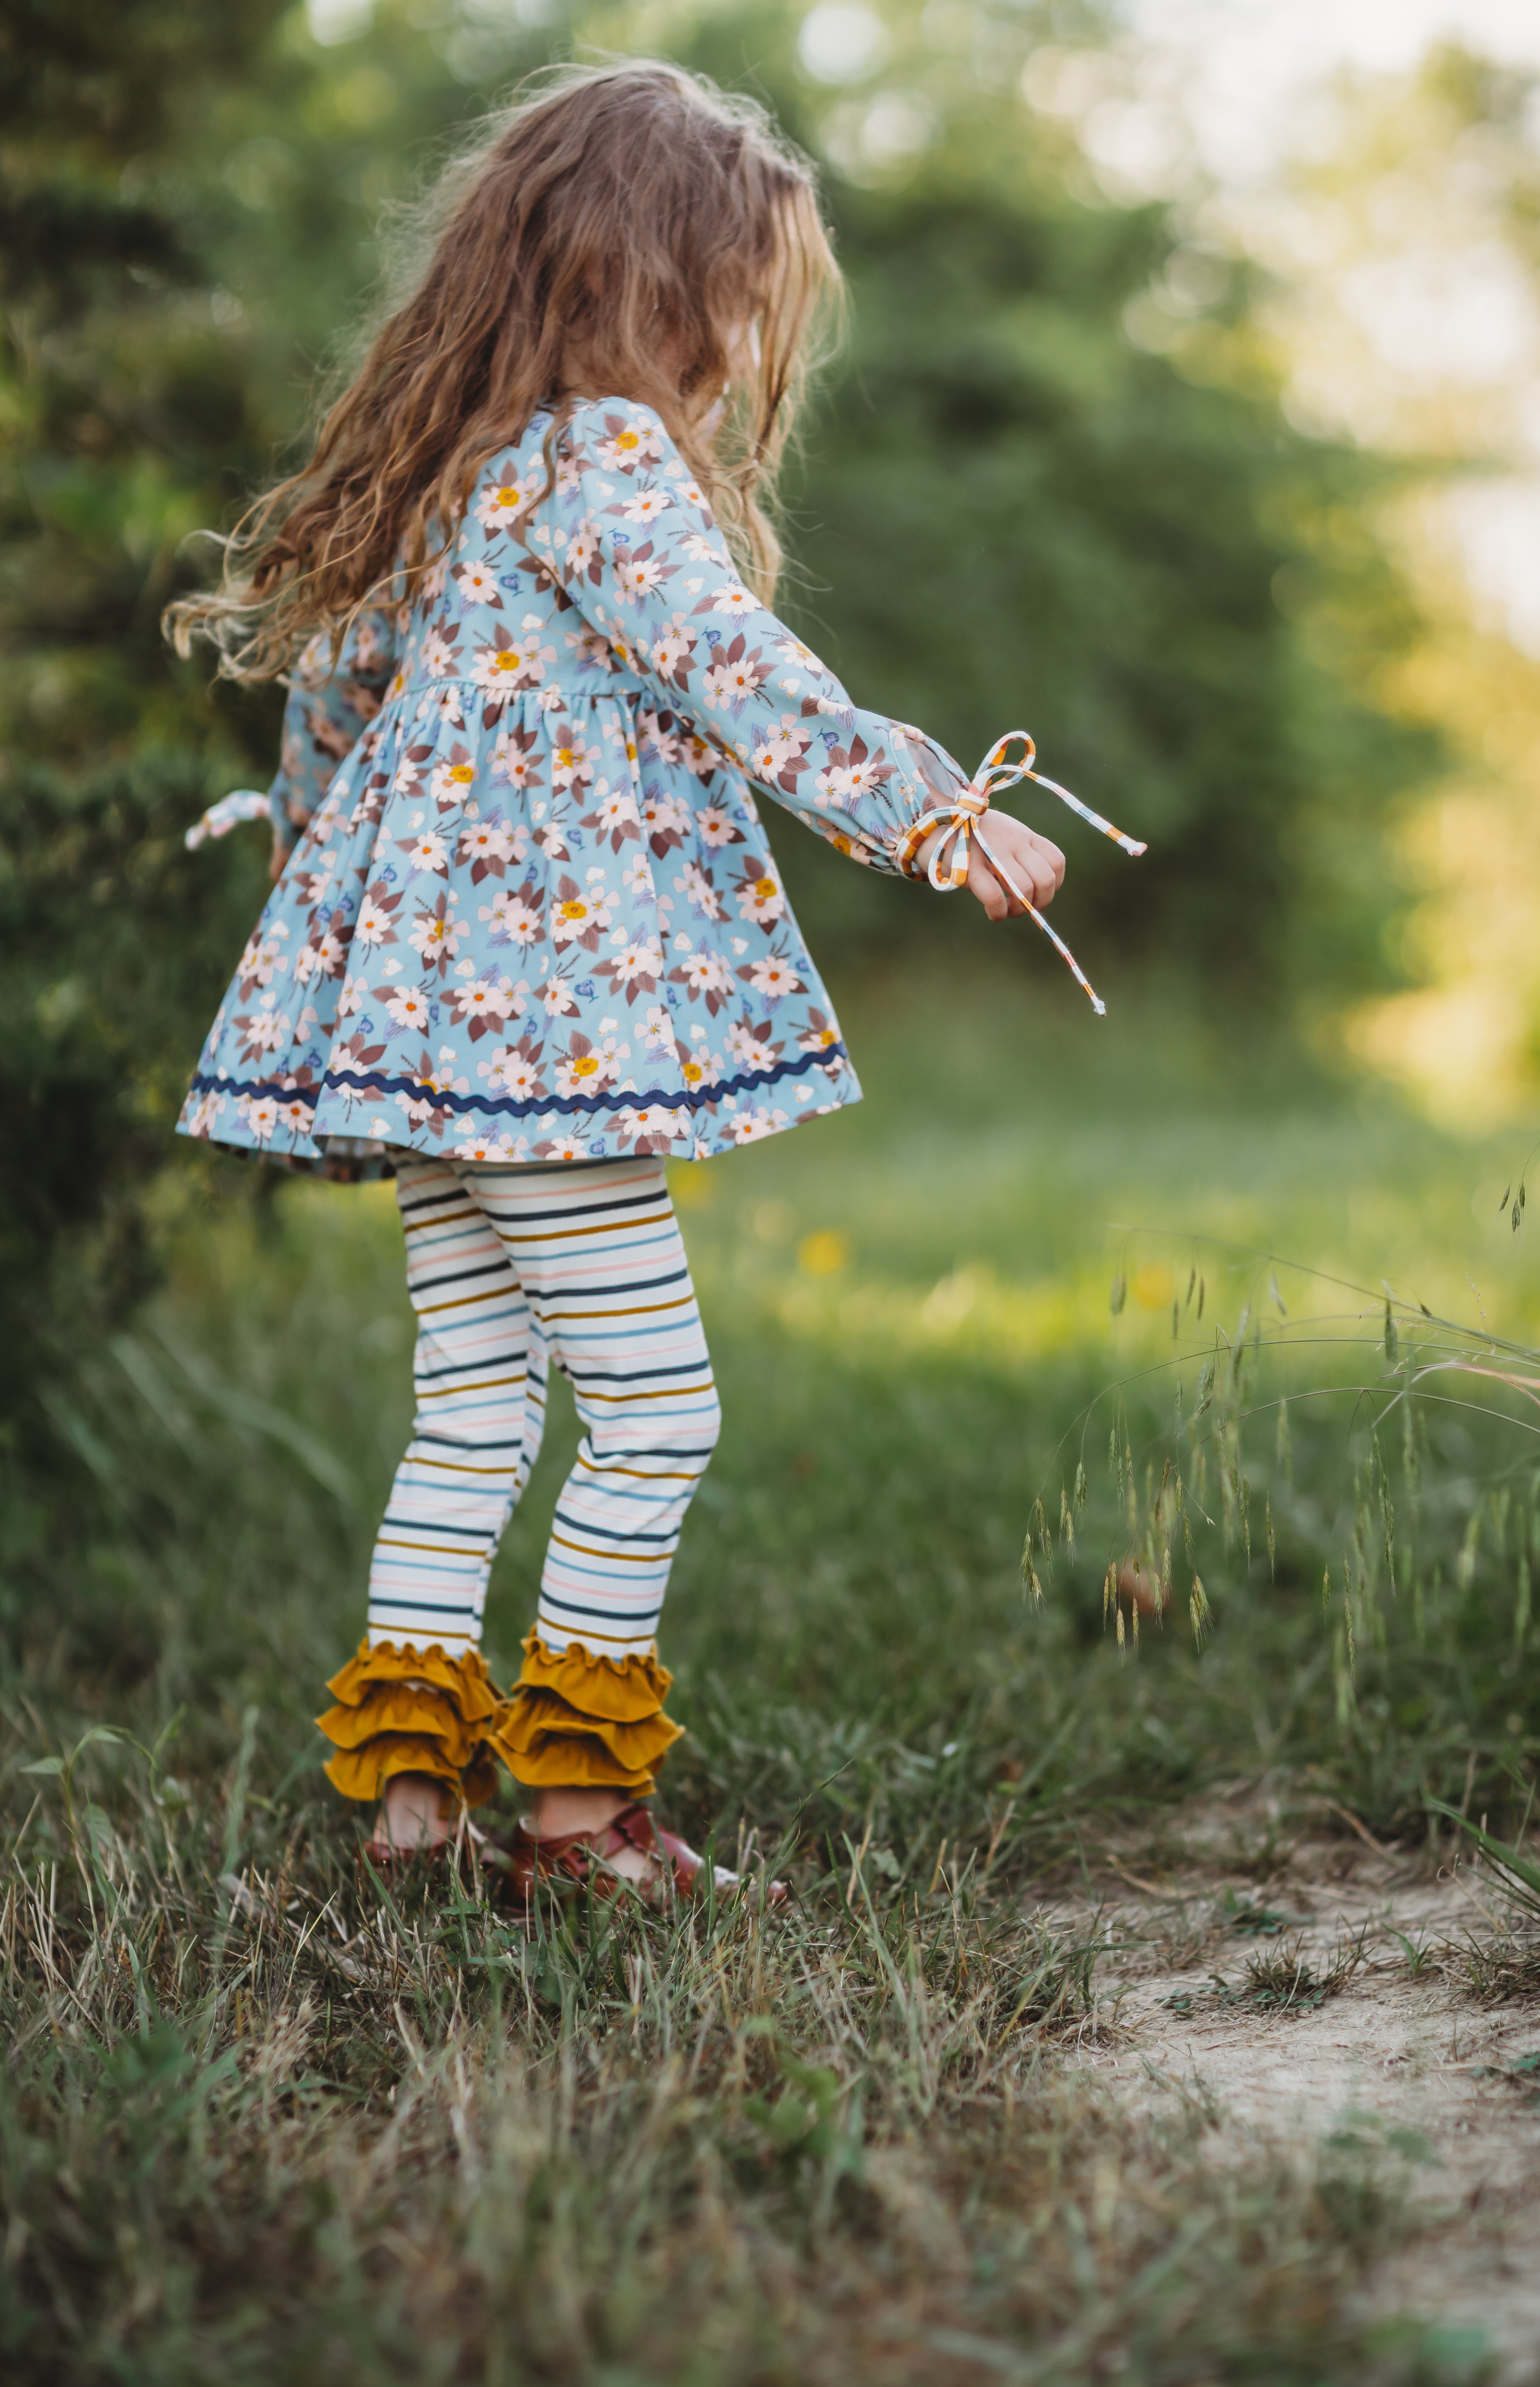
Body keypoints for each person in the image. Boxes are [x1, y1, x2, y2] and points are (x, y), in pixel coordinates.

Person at [165, 60, 1069, 1901]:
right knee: (656, 1412)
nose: (748, 332)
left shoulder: (444, 475)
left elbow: (329, 724)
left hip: (420, 1039)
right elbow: (727, 663)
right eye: (741, 288)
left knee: (478, 1408)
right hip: (538, 1042)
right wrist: (934, 814)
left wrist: (324, 934)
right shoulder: (599, 461)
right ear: (660, 282)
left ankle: (415, 1813)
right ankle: (578, 1824)